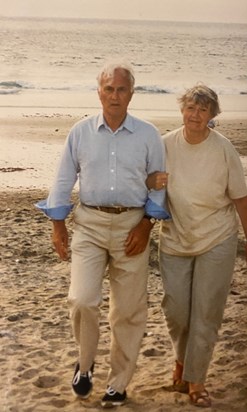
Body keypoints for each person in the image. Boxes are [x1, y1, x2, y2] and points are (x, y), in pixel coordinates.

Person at [36, 61, 169, 408]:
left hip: (132, 228)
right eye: (108, 89)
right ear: (99, 92)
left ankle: (119, 382)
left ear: (131, 94)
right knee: (82, 300)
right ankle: (85, 363)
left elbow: (159, 182)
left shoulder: (148, 134)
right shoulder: (80, 132)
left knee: (127, 311)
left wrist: (146, 225)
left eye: (121, 89)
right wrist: (57, 224)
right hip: (89, 226)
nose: (114, 95)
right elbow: (64, 179)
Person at [147, 84, 247, 408]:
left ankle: (195, 379)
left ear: (212, 115)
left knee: (206, 312)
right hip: (174, 239)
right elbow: (145, 184)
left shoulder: (223, 149)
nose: (195, 115)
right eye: (191, 108)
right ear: (182, 110)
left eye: (203, 110)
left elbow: (241, 198)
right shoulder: (165, 145)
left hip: (217, 238)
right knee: (177, 311)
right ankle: (182, 360)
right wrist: (149, 182)